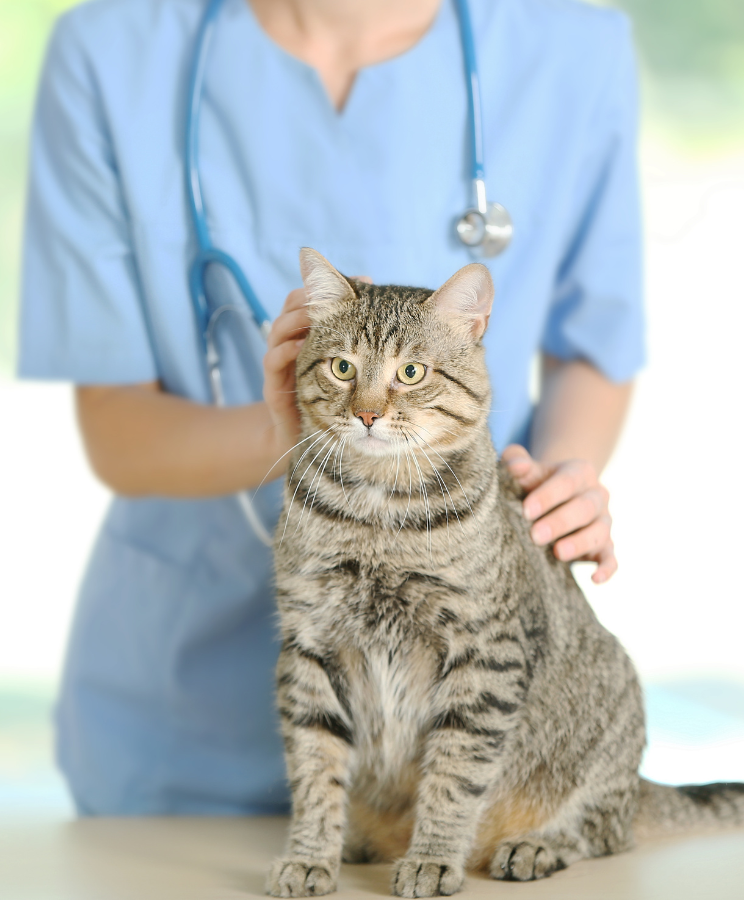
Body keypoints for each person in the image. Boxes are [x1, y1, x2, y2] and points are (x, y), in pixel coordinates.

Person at [18, 0, 643, 814]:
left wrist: (558, 482)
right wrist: (293, 430)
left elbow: (593, 345)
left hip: (462, 723)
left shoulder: (573, 47)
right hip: (182, 733)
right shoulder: (111, 51)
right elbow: (115, 427)